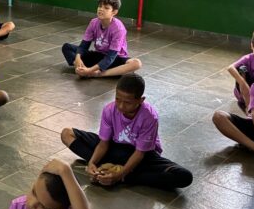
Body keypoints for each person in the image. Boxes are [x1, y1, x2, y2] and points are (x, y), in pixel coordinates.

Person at [61, 73, 193, 189]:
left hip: (142, 156)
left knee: (184, 176)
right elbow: (103, 144)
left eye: (128, 102)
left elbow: (140, 153)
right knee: (67, 134)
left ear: (140, 100)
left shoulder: (149, 116)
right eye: (118, 99)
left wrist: (120, 175)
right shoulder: (109, 110)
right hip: (113, 149)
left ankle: (124, 175)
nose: (121, 106)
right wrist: (91, 163)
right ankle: (114, 169)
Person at [61, 0, 142, 78]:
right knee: (67, 47)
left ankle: (98, 73)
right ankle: (82, 68)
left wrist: (90, 70)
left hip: (115, 58)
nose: (101, 9)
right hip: (99, 55)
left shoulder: (119, 29)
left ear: (114, 12)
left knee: (136, 63)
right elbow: (84, 46)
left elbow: (110, 57)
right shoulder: (93, 23)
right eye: (100, 6)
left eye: (106, 8)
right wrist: (77, 58)